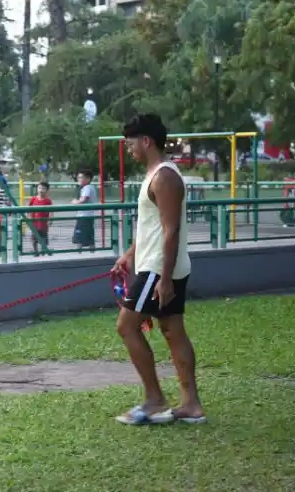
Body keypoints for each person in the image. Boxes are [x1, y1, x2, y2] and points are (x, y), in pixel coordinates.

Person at [112, 113, 204, 426]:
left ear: (147, 141)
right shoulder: (156, 174)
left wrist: (164, 279)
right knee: (172, 330)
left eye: (131, 143)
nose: (129, 149)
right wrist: (129, 254)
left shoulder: (164, 177)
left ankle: (154, 398)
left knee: (126, 326)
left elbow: (171, 230)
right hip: (155, 265)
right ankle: (191, 405)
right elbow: (154, 228)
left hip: (157, 270)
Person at [71, 169, 96, 250]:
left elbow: (83, 200)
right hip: (87, 215)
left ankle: (79, 251)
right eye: (78, 178)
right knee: (89, 234)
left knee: (79, 235)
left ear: (88, 179)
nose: (79, 179)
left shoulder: (87, 188)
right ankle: (92, 251)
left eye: (81, 178)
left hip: (84, 216)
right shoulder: (88, 187)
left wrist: (74, 202)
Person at [28, 181, 53, 255]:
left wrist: (50, 220)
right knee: (34, 238)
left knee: (44, 237)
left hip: (43, 223)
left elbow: (51, 211)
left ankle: (43, 250)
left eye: (43, 188)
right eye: (39, 188)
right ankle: (36, 251)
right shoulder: (33, 199)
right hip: (34, 222)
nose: (41, 190)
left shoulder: (48, 200)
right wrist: (29, 218)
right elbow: (28, 209)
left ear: (47, 190)